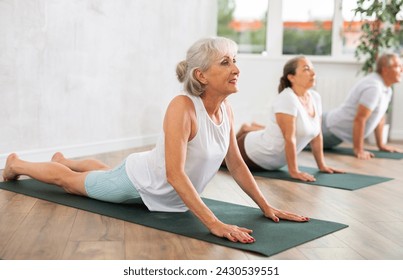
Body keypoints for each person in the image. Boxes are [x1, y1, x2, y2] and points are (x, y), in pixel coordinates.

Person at [2, 37, 309, 244]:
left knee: (104, 174)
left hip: (163, 190)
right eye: (226, 63)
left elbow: (236, 163)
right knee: (71, 183)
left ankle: (64, 159)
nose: (236, 69)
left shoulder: (225, 108)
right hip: (139, 182)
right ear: (201, 75)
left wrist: (266, 206)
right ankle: (18, 163)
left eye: (235, 61)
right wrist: (214, 223)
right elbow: (174, 174)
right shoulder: (182, 107)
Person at [235, 56, 343, 182]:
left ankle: (248, 128)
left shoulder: (315, 97)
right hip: (253, 152)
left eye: (312, 69)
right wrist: (294, 171)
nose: (313, 73)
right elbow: (289, 138)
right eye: (306, 69)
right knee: (215, 161)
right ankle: (243, 132)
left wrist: (322, 166)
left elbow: (317, 136)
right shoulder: (287, 98)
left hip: (275, 163)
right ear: (291, 77)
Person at [322, 53, 402, 159]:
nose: (402, 69)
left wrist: (381, 145)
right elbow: (360, 119)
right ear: (385, 70)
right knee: (298, 143)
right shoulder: (374, 87)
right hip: (327, 128)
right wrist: (358, 150)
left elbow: (379, 117)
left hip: (332, 127)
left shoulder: (386, 88)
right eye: (398, 66)